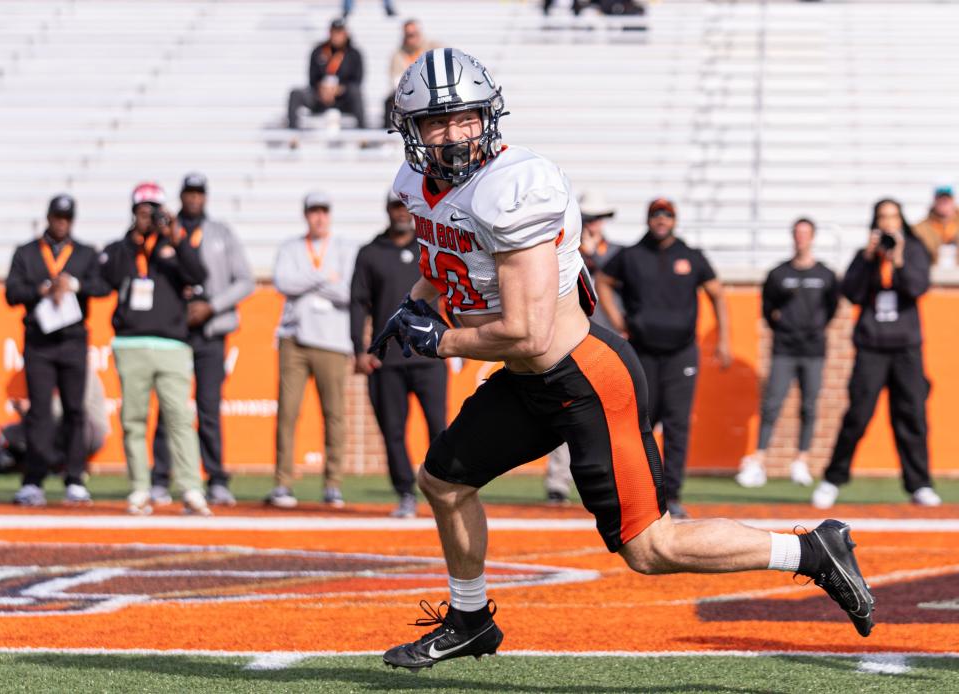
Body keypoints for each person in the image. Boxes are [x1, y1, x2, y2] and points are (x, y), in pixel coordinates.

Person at [370, 48, 873, 672]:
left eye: (466, 118)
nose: (453, 135)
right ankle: (471, 620)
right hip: (530, 384)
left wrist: (438, 341)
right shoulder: (414, 188)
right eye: (437, 123)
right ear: (410, 131)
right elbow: (443, 268)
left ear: (488, 117)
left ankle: (811, 552)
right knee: (444, 483)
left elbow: (527, 333)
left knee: (649, 547)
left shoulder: (513, 187)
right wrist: (413, 303)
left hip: (584, 376)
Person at [596, 198, 731, 519]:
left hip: (681, 353)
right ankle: (638, 492)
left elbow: (717, 293)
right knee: (639, 423)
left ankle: (671, 496)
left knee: (677, 425)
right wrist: (617, 322)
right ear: (648, 219)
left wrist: (724, 339)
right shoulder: (631, 255)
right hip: (642, 351)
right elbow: (602, 280)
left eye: (667, 216)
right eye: (656, 215)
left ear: (674, 220)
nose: (661, 220)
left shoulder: (691, 256)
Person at [813, 199, 939, 509]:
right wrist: (870, 258)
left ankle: (919, 485)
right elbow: (851, 294)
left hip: (906, 348)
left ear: (901, 221)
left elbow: (917, 288)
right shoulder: (864, 256)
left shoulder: (914, 251)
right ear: (875, 222)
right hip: (871, 347)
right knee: (857, 415)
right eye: (882, 218)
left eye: (893, 217)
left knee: (912, 417)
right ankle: (832, 479)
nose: (888, 223)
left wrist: (897, 259)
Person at [98, 182, 211, 517]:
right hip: (131, 342)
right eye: (142, 210)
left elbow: (198, 274)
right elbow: (108, 277)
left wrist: (174, 235)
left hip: (172, 344)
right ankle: (140, 489)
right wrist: (133, 237)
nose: (149, 216)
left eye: (154, 210)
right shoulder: (124, 246)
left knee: (179, 417)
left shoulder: (174, 244)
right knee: (133, 419)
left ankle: (191, 488)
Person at [151, 173, 254, 508]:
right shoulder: (166, 232)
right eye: (189, 193)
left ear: (205, 197)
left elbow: (246, 281)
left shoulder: (221, 233)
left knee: (208, 407)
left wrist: (212, 306)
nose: (194, 199)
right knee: (170, 408)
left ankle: (217, 479)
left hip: (211, 331)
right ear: (181, 196)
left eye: (199, 193)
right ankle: (160, 478)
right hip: (174, 332)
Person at [4, 194, 110, 506]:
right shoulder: (27, 253)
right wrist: (39, 291)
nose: (61, 223)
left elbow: (103, 286)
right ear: (48, 218)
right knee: (39, 412)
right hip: (40, 342)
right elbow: (12, 292)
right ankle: (34, 480)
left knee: (75, 410)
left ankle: (75, 479)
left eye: (67, 218)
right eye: (57, 217)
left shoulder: (85, 253)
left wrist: (74, 285)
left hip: (73, 340)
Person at [350, 192, 447, 518]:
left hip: (429, 356)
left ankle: (444, 488)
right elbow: (358, 304)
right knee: (392, 429)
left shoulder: (429, 248)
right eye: (395, 206)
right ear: (387, 210)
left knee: (439, 428)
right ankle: (405, 492)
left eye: (406, 206)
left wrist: (458, 336)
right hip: (388, 359)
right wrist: (359, 350)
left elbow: (452, 292)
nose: (401, 212)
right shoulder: (370, 253)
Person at [736, 219, 839, 489]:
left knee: (809, 405)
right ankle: (758, 461)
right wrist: (785, 329)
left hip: (814, 350)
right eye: (797, 233)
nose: (801, 238)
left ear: (813, 237)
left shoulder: (825, 274)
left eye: (805, 234)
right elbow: (767, 310)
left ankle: (801, 461)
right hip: (785, 348)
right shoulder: (778, 274)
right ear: (792, 237)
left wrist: (812, 329)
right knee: (772, 403)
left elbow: (831, 309)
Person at [268, 192, 354, 509]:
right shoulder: (290, 247)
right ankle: (283, 483)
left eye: (323, 211)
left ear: (329, 215)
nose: (318, 217)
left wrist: (307, 280)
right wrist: (322, 277)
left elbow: (348, 291)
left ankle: (333, 484)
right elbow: (283, 283)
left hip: (332, 340)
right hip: (294, 339)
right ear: (305, 215)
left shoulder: (346, 247)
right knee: (288, 413)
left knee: (334, 414)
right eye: (313, 211)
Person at [544, 190, 623, 505]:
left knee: (611, 415)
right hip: (570, 339)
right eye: (590, 218)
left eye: (600, 218)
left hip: (606, 341)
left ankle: (610, 481)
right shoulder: (564, 250)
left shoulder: (619, 255)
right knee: (566, 410)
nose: (596, 225)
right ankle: (558, 483)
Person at [0, 364, 110, 478]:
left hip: (90, 430)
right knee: (25, 427)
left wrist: (35, 407)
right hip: (58, 427)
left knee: (73, 421)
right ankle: (11, 451)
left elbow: (75, 407)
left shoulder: (80, 370)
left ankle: (68, 468)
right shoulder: (47, 374)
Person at [287, 19, 365, 130]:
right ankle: (292, 134)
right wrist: (321, 89)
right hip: (320, 97)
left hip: (342, 98)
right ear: (330, 33)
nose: (337, 36)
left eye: (340, 32)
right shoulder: (318, 50)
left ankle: (362, 134)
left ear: (345, 33)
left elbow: (357, 79)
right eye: (335, 32)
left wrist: (339, 89)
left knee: (356, 93)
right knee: (295, 94)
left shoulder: (354, 54)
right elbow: (312, 78)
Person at [383, 20, 438, 129]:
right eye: (409, 35)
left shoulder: (433, 48)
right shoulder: (398, 55)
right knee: (389, 101)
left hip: (432, 89)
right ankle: (389, 134)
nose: (412, 38)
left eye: (414, 34)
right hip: (408, 92)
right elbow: (395, 80)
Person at [912, 184, 957, 265]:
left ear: (953, 200)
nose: (944, 202)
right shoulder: (919, 229)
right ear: (934, 200)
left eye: (947, 199)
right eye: (940, 198)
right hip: (931, 274)